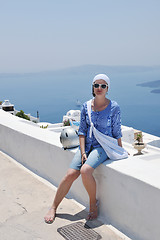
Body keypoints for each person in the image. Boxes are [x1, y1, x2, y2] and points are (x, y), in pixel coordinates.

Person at [44, 73, 125, 223]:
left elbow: (117, 131)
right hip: (86, 146)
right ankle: (54, 206)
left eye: (103, 86)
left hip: (103, 147)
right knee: (70, 174)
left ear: (108, 88)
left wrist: (119, 150)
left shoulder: (114, 107)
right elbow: (82, 131)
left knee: (85, 170)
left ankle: (93, 204)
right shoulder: (86, 106)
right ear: (92, 87)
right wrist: (82, 152)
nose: (99, 88)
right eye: (96, 85)